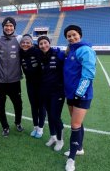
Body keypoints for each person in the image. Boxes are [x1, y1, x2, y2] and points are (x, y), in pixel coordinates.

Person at [63, 25, 96, 171]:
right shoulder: (70, 50)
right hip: (70, 94)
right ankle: (79, 147)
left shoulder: (85, 50)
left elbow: (88, 74)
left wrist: (79, 93)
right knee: (77, 122)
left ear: (80, 35)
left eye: (74, 35)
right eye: (69, 36)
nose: (71, 37)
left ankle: (71, 159)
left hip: (81, 95)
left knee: (75, 125)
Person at [0, 16, 24, 137]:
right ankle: (5, 126)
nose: (9, 28)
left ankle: (18, 122)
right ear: (3, 27)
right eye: (6, 26)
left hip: (15, 80)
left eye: (11, 26)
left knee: (18, 104)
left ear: (14, 27)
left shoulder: (19, 39)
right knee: (0, 105)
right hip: (0, 80)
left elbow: (30, 44)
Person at [37, 35, 65, 151]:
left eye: (45, 42)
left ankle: (60, 140)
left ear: (49, 43)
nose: (43, 45)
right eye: (41, 44)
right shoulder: (40, 56)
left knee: (55, 116)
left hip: (57, 92)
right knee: (49, 115)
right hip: (45, 91)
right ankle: (53, 137)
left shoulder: (58, 54)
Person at [19, 34, 45, 138]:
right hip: (30, 83)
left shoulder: (37, 51)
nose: (25, 44)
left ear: (31, 43)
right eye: (23, 42)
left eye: (28, 42)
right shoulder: (20, 53)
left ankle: (41, 128)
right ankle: (35, 127)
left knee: (41, 106)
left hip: (41, 83)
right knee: (33, 106)